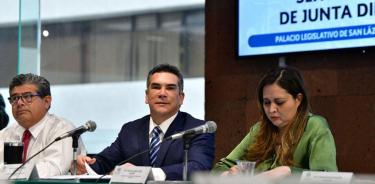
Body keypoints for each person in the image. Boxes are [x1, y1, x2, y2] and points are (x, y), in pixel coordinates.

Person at [76, 64, 215, 180]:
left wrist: (147, 174)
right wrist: (86, 164)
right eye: (156, 87)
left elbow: (199, 168)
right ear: (147, 96)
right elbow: (104, 162)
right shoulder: (130, 130)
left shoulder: (197, 129)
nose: (162, 93)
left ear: (181, 98)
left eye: (170, 88)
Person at [212, 66, 337, 180]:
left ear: (298, 99)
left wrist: (288, 171)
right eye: (266, 102)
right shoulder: (259, 129)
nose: (271, 109)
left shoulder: (315, 126)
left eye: (279, 102)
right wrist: (229, 174)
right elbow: (219, 168)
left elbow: (327, 178)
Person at [0, 73, 84, 177]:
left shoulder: (63, 130)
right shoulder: (5, 134)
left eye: (27, 96)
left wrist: (7, 173)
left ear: (46, 101)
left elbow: (52, 169)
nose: (19, 103)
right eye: (15, 98)